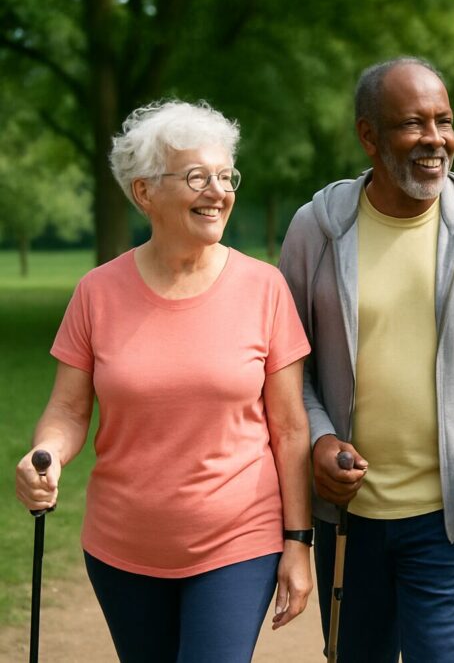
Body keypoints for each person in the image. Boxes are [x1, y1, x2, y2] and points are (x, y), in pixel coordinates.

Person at [13, 100, 313, 662]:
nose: (219, 191)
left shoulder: (264, 288)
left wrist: (298, 543)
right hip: (122, 547)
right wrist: (43, 453)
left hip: (238, 540)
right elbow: (70, 410)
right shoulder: (96, 293)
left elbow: (291, 428)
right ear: (144, 192)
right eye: (198, 176)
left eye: (226, 177)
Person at [278, 57, 454, 662]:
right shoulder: (316, 230)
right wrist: (320, 439)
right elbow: (284, 367)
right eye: (412, 123)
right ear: (368, 136)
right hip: (349, 518)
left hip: (453, 516)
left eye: (444, 120)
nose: (435, 139)